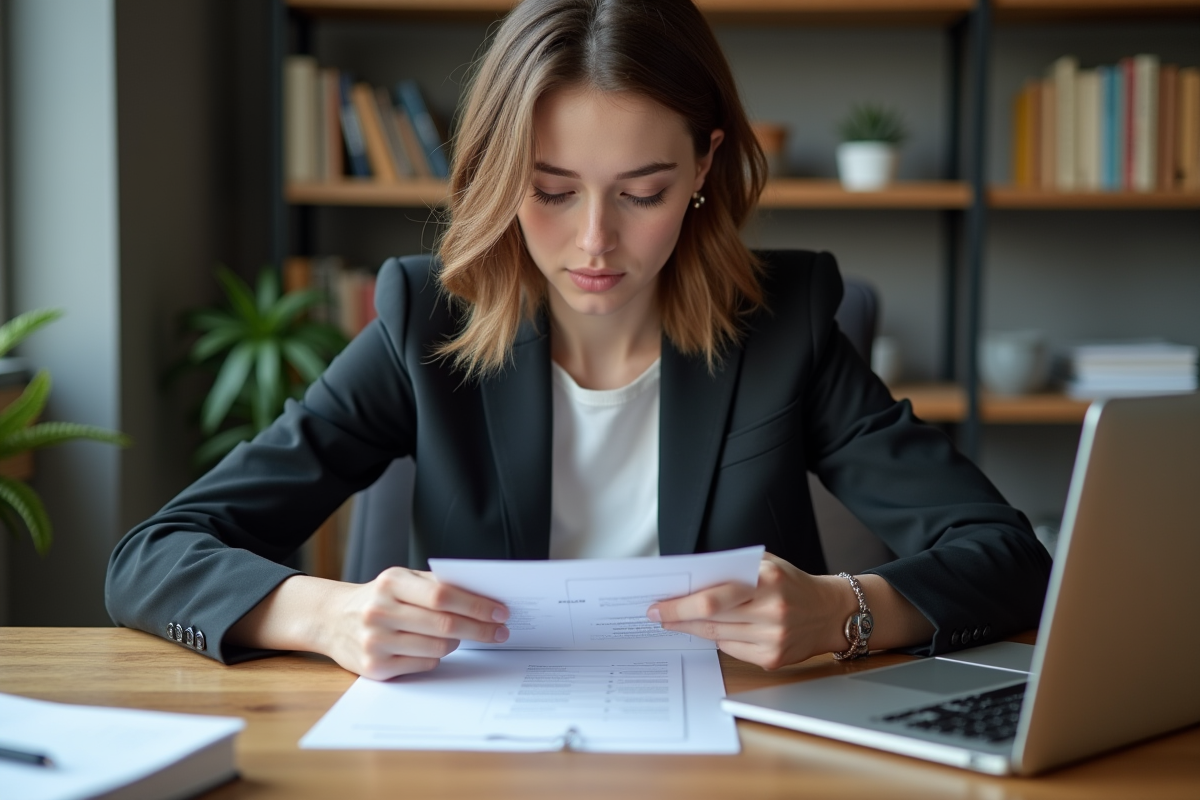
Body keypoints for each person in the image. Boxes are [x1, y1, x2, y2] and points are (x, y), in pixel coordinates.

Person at [106, 0, 1051, 681]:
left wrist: (847, 610)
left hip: (741, 759)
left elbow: (1007, 558)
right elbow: (155, 554)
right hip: (481, 760)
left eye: (641, 192)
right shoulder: (423, 321)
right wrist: (328, 614)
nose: (594, 241)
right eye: (551, 190)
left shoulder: (785, 321)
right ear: (495, 171)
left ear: (704, 168)